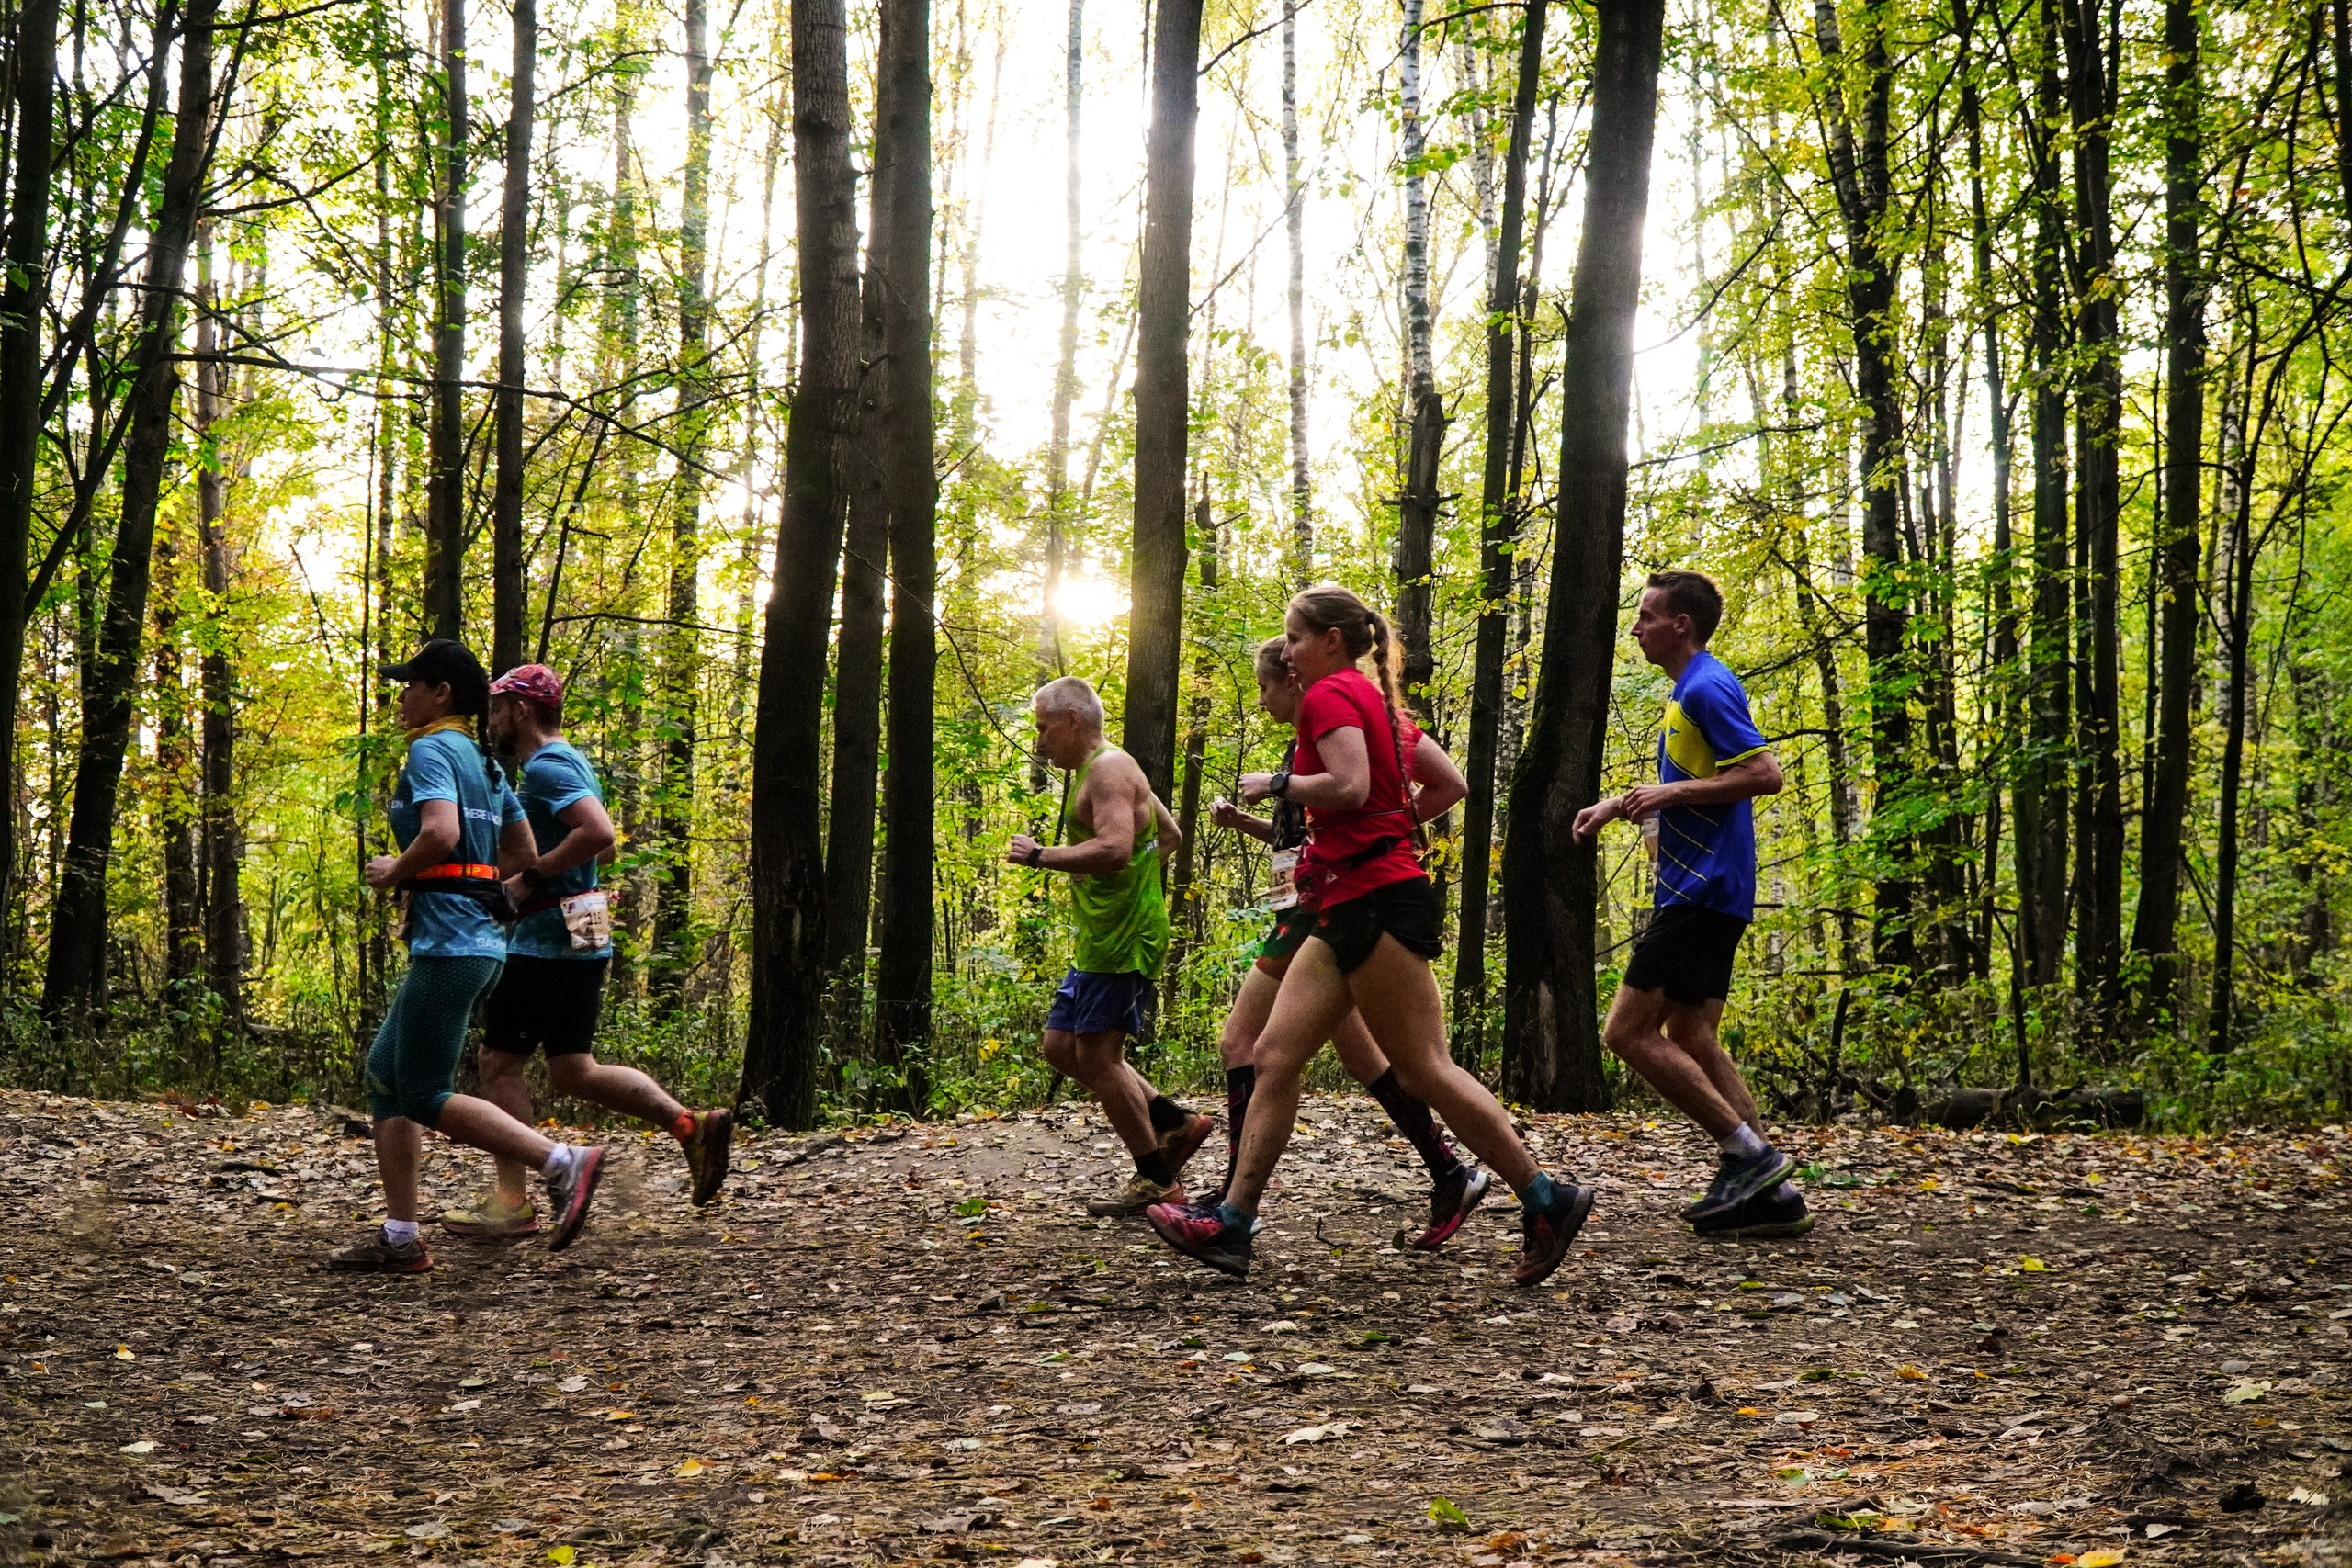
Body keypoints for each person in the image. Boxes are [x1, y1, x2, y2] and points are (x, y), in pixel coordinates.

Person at [1148, 586, 1594, 1284]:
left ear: (1329, 638)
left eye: (1293, 637)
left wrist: (1279, 781)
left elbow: (1350, 788)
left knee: (1424, 1067)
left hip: (1379, 900)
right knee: (1272, 1053)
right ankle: (1232, 1225)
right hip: (1348, 900)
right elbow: (1446, 786)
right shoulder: (1377, 703)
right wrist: (1391, 825)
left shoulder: (1331, 696)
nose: (1287, 651)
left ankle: (1547, 1196)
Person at [333, 639, 607, 1271]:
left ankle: (563, 1163)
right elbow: (519, 851)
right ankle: (401, 1236)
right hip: (480, 939)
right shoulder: (486, 764)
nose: (400, 695)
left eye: (410, 684)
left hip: (452, 942)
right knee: (384, 1074)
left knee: (425, 1091)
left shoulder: (432, 749)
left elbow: (441, 833)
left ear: (442, 694)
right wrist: (457, 881)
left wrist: (396, 872)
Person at [1207, 636, 1489, 1249]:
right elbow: (1300, 843)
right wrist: (1247, 820)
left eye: (1264, 687)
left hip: (1328, 907)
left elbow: (1429, 787)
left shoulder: (1340, 731)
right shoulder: (1328, 737)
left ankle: (1232, 1203)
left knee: (1247, 1042)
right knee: (1367, 1057)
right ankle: (1450, 1172)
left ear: (1293, 677)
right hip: (1321, 901)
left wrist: (1382, 836)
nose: (1261, 701)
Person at [437, 663, 734, 1240]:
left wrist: (529, 878)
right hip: (580, 934)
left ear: (519, 710)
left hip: (545, 940)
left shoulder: (546, 765)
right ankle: (688, 1124)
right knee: (574, 1069)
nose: (492, 720)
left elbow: (598, 832)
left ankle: (512, 1200)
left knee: (498, 1064)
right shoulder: (566, 759)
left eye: (497, 708)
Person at [1572, 570, 1809, 1239]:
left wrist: (1668, 796)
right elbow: (1686, 782)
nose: (1637, 626)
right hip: (1707, 889)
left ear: (1681, 624)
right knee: (1690, 1032)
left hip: (1702, 891)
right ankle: (1774, 1195)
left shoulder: (1706, 685)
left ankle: (1751, 1154)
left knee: (1625, 1032)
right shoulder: (1687, 692)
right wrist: (1619, 802)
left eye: (1647, 615)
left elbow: (1765, 774)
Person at [1006, 676, 1216, 1217]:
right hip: (1104, 936)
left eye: (1045, 727)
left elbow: (1117, 849)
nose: (1041, 740)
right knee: (1060, 1046)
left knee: (1100, 1058)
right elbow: (1166, 837)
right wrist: (1121, 886)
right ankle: (1173, 1122)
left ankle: (1158, 1180)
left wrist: (1041, 857)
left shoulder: (1107, 769)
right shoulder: (1113, 769)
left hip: (1125, 939)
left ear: (1073, 719)